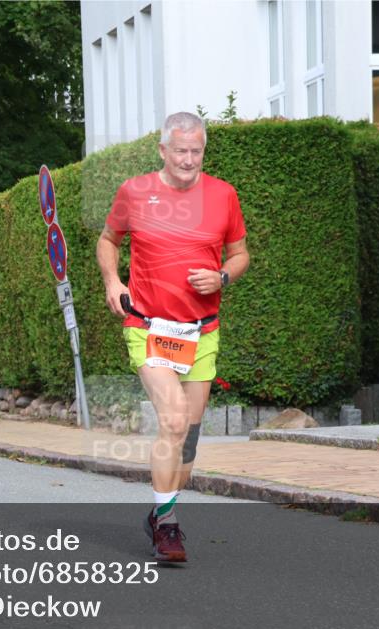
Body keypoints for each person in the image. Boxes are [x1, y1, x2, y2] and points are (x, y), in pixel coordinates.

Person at [96, 111, 249, 562]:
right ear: (163, 150)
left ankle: (162, 505)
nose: (188, 159)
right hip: (149, 325)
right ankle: (168, 525)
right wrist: (113, 283)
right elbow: (109, 240)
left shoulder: (223, 195)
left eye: (196, 151)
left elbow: (240, 254)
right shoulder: (135, 192)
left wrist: (222, 276)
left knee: (187, 444)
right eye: (180, 150)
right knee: (174, 417)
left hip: (201, 332)